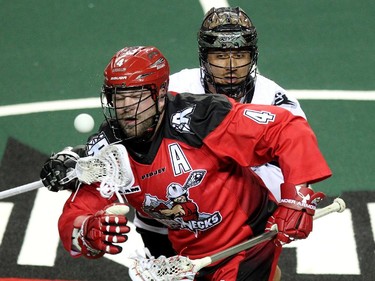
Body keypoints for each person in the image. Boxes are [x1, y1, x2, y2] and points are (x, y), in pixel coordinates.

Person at [40, 45, 331, 281]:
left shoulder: (201, 118)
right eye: (118, 97)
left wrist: (297, 197)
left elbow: (287, 129)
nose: (126, 107)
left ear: (160, 94)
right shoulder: (109, 153)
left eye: (136, 96)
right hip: (189, 251)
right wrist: (87, 229)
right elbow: (76, 214)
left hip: (248, 235)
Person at [133, 6, 308, 265]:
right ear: (204, 57)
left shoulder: (275, 101)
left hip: (243, 211)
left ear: (253, 56)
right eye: (219, 55)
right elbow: (129, 133)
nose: (230, 66)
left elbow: (298, 159)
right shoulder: (176, 88)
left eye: (239, 55)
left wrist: (298, 198)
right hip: (169, 212)